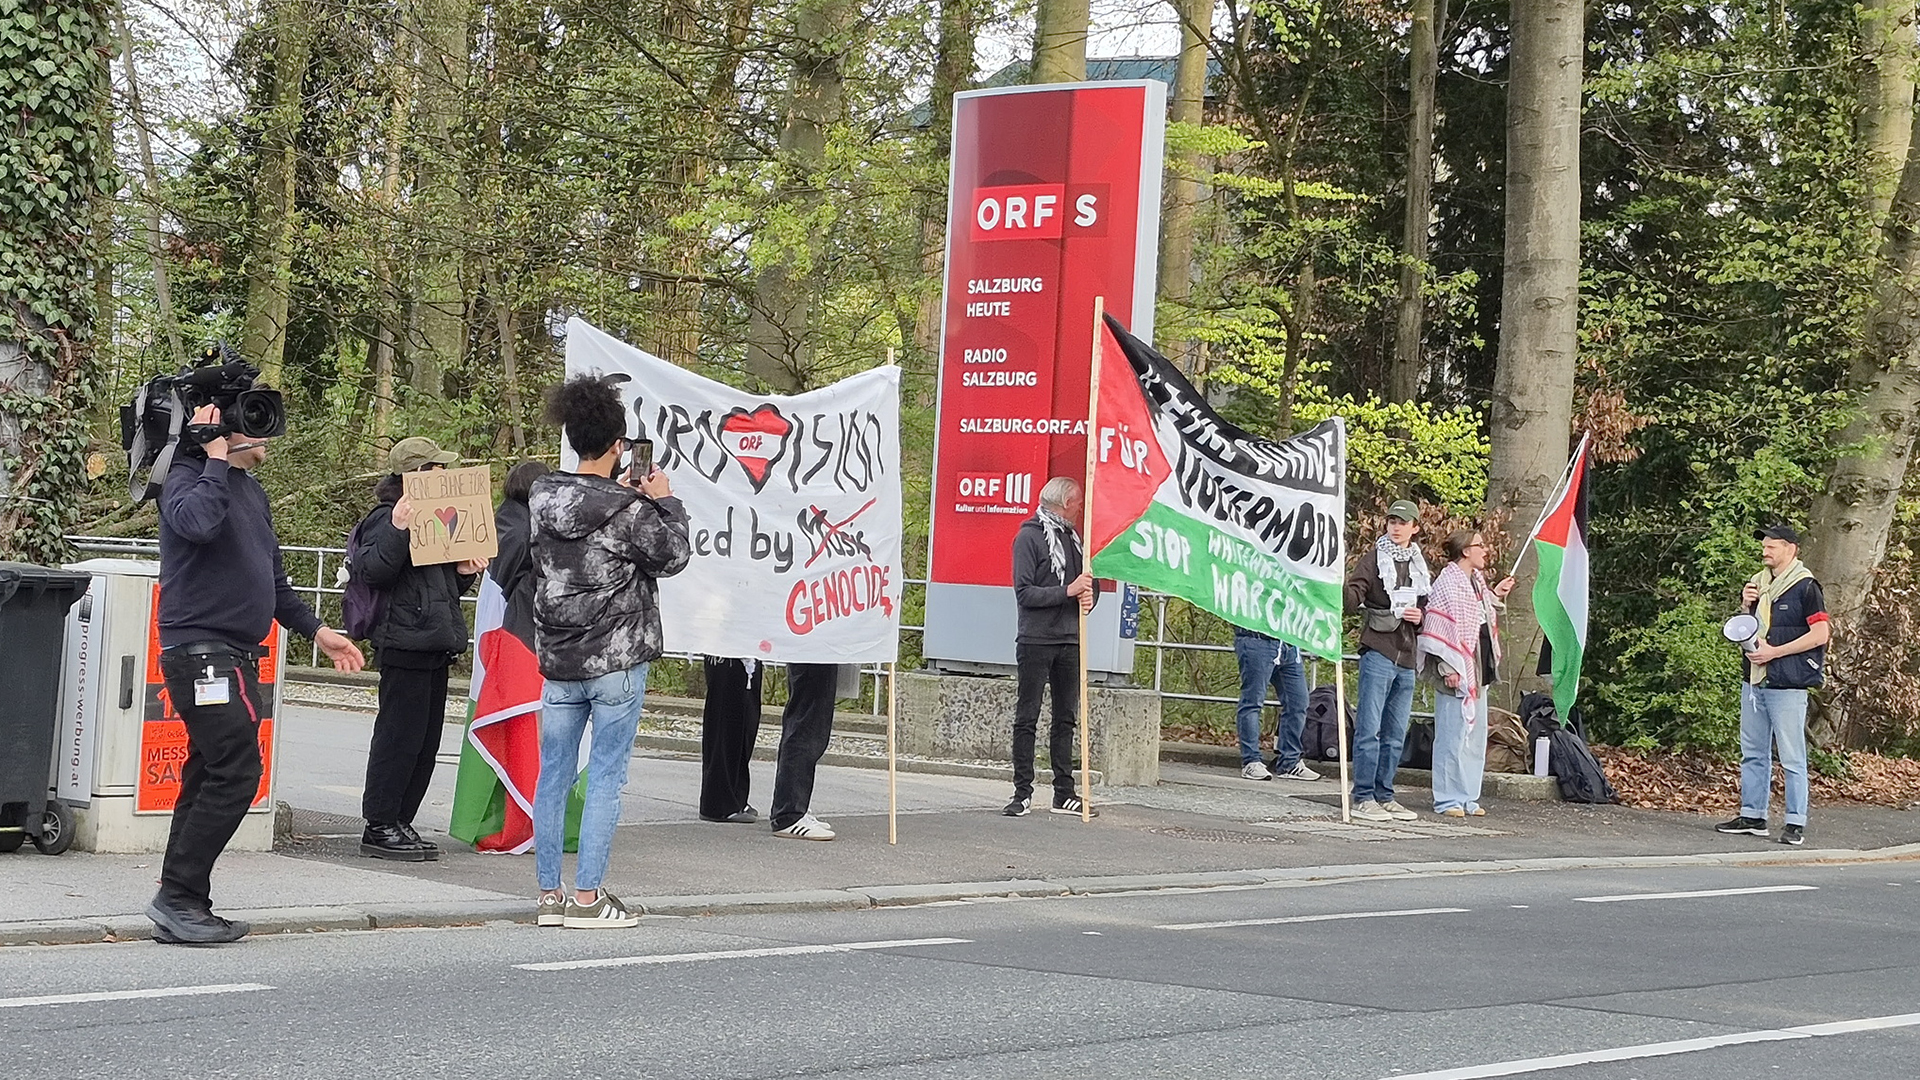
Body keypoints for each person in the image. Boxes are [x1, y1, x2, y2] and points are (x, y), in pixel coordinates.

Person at [151, 402, 365, 944]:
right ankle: (177, 896)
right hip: (201, 651)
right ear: (219, 432)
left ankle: (184, 900)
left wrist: (318, 631)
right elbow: (195, 524)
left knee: (208, 773)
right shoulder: (184, 476)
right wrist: (214, 458)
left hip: (234, 653)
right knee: (239, 771)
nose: (266, 434)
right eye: (254, 422)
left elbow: (274, 581)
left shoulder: (250, 490)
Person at [530, 377, 690, 928]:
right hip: (616, 659)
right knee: (604, 778)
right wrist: (663, 500)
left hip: (558, 658)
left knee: (552, 775)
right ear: (620, 445)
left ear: (573, 437)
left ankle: (549, 896)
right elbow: (672, 557)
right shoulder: (630, 508)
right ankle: (589, 897)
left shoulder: (542, 496)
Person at [350, 437, 486, 861]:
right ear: (415, 474)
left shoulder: (435, 518)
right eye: (436, 469)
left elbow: (436, 588)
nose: (444, 476)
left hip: (433, 643)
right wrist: (397, 527)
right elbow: (372, 571)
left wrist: (464, 574)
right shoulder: (385, 517)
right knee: (398, 737)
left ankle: (400, 819)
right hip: (403, 642)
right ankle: (380, 822)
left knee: (425, 742)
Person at [1716, 524, 1829, 846]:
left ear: (1791, 549)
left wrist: (1775, 652)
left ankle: (1795, 822)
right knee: (1753, 753)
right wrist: (1745, 605)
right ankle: (1753, 816)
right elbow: (1748, 630)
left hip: (1788, 682)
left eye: (1773, 546)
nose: (1766, 551)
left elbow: (1821, 635)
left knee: (1792, 757)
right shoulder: (1758, 585)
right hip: (1754, 682)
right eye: (1765, 546)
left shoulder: (1806, 587)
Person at [1004, 477, 1098, 818]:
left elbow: (1087, 583)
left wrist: (1090, 595)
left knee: (1066, 718)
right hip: (1036, 638)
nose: (1080, 508)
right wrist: (1068, 592)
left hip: (1070, 638)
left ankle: (1064, 791)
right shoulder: (1029, 536)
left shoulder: (1073, 538)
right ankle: (1022, 791)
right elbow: (1025, 593)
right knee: (1027, 715)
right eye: (1076, 502)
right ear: (1061, 503)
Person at [1418, 529, 1515, 818]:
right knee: (1452, 735)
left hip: (1479, 664)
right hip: (1457, 666)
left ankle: (1469, 795)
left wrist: (1495, 595)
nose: (1485, 550)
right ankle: (1448, 798)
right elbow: (1438, 625)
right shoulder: (1448, 583)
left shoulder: (1477, 582)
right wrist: (1448, 666)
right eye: (1479, 545)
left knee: (1475, 735)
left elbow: (1478, 615)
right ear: (1465, 551)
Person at [1344, 499, 1430, 822]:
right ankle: (1363, 796)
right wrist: (1339, 586)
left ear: (1414, 528)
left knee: (1395, 733)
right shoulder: (1372, 559)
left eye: (1403, 522)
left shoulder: (1420, 564)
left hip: (1407, 655)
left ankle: (1385, 793)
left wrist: (1419, 616)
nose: (1396, 527)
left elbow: (1427, 609)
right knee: (1369, 728)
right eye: (1392, 521)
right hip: (1378, 650)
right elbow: (1353, 598)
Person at [769, 663, 854, 840]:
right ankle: (789, 813)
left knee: (809, 721)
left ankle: (794, 807)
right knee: (806, 724)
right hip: (813, 646)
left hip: (814, 647)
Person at [1231, 629, 1315, 782]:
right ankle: (1251, 761)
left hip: (1288, 641)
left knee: (1299, 702)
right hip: (1258, 638)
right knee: (1252, 701)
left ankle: (1290, 762)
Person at [700, 658, 763, 825]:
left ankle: (737, 797)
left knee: (745, 719)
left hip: (747, 647)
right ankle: (719, 804)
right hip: (727, 651)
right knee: (727, 717)